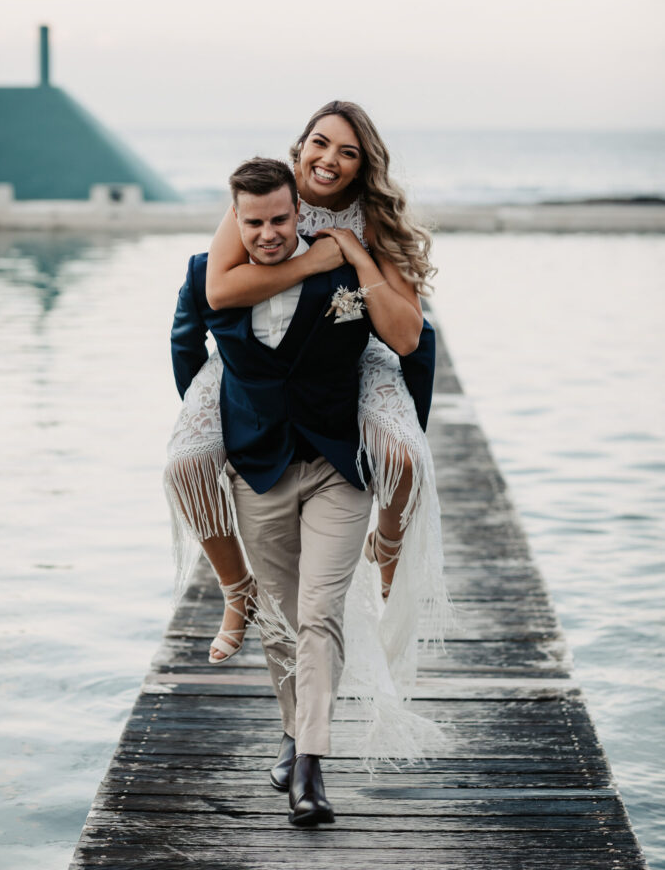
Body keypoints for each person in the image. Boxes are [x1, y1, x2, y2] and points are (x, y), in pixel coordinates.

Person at [165, 101, 452, 760]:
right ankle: (235, 592)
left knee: (403, 453)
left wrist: (353, 250)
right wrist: (317, 262)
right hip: (252, 370)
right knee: (181, 463)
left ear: (362, 166)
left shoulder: (372, 225)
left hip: (351, 354)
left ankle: (386, 540)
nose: (328, 159)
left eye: (346, 152)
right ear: (299, 149)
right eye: (319, 144)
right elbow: (218, 291)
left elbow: (406, 336)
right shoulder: (267, 199)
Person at [170, 157, 404, 824]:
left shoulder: (343, 272)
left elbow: (409, 347)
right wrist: (219, 434)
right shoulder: (203, 276)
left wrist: (403, 430)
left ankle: (310, 768)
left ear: (298, 211)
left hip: (336, 464)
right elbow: (187, 352)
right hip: (257, 469)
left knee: (318, 612)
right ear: (233, 220)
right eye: (253, 223)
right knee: (279, 618)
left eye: (279, 219)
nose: (268, 232)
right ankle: (292, 729)